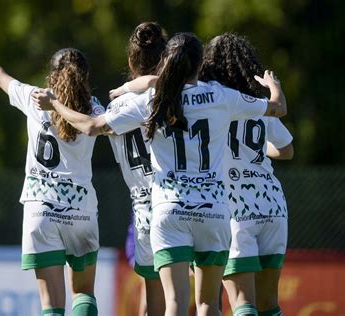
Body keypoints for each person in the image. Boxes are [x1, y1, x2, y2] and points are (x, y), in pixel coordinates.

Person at [32, 32, 287, 316]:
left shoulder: (154, 99)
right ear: (199, 63)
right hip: (215, 210)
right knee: (208, 305)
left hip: (170, 210)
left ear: (166, 61)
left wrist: (55, 104)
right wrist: (274, 88)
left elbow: (92, 126)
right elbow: (277, 109)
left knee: (174, 304)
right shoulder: (220, 95)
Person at [0, 34, 103, 316]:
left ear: (52, 75)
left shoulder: (34, 97)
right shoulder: (94, 109)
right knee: (83, 293)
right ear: (84, 77)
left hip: (41, 210)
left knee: (51, 306)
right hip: (81, 209)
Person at [199, 33, 293, 316]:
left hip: (235, 208)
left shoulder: (210, 104)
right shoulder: (259, 104)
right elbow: (287, 150)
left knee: (243, 303)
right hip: (272, 205)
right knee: (269, 305)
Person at [108, 22, 168, 316]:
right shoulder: (170, 97)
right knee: (200, 291)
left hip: (142, 205)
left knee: (152, 297)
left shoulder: (114, 108)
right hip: (176, 197)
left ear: (131, 62)